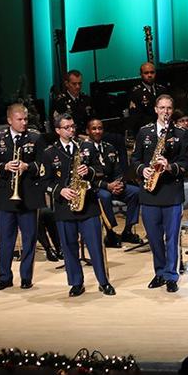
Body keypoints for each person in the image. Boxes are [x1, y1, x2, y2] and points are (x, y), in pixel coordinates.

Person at [42, 114, 115, 297]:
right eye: (66, 127)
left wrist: (89, 171)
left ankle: (103, 282)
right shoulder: (49, 153)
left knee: (96, 246)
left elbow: (101, 171)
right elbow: (44, 182)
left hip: (88, 204)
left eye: (73, 126)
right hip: (64, 206)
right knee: (69, 246)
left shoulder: (86, 146)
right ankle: (76, 283)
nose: (71, 130)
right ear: (58, 130)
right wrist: (60, 190)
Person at [131, 94, 188, 293]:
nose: (165, 111)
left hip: (172, 193)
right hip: (149, 193)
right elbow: (134, 160)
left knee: (172, 237)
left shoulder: (181, 134)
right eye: (162, 108)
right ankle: (159, 272)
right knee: (154, 237)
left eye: (169, 108)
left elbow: (186, 163)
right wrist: (143, 170)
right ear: (156, 109)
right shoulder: (144, 132)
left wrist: (170, 167)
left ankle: (171, 275)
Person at [0, 104, 45, 291]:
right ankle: (4, 277)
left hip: (29, 195)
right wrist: (4, 167)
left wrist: (27, 167)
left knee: (29, 239)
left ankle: (26, 277)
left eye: (25, 119)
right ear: (9, 120)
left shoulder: (35, 137)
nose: (23, 123)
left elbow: (43, 166)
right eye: (19, 119)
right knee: (6, 240)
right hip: (6, 196)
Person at [86, 118, 142, 247]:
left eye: (100, 128)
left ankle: (127, 231)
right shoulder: (83, 149)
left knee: (135, 192)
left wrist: (119, 183)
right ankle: (110, 233)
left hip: (113, 185)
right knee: (104, 196)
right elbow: (86, 177)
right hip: (96, 187)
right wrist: (107, 186)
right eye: (94, 129)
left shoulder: (109, 147)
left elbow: (118, 169)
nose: (97, 131)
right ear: (88, 131)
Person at [128, 62, 169, 131]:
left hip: (164, 126)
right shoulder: (136, 92)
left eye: (152, 72)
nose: (149, 75)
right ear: (141, 74)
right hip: (145, 128)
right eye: (146, 73)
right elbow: (135, 117)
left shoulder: (162, 90)